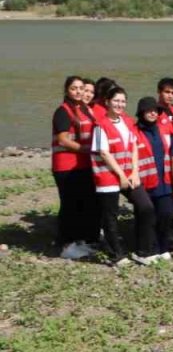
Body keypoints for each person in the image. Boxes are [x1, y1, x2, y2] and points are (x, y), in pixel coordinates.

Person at [92, 86, 160, 266]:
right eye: (116, 101)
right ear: (107, 102)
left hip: (129, 174)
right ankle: (117, 254)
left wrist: (135, 171)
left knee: (146, 207)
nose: (119, 104)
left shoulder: (128, 122)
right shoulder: (100, 125)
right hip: (107, 176)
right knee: (110, 216)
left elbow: (134, 147)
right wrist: (121, 175)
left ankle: (143, 251)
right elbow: (104, 153)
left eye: (122, 101)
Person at [51, 75, 98, 260]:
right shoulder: (62, 111)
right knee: (70, 205)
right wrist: (86, 149)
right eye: (74, 88)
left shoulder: (84, 109)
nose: (78, 91)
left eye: (80, 88)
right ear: (66, 91)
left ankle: (81, 242)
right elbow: (63, 139)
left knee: (83, 204)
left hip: (83, 165)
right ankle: (65, 245)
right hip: (66, 166)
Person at [134, 96, 173, 261]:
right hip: (144, 182)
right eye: (149, 110)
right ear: (141, 112)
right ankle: (145, 248)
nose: (152, 113)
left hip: (164, 180)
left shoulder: (163, 129)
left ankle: (162, 246)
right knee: (146, 216)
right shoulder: (134, 131)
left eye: (155, 111)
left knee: (166, 213)